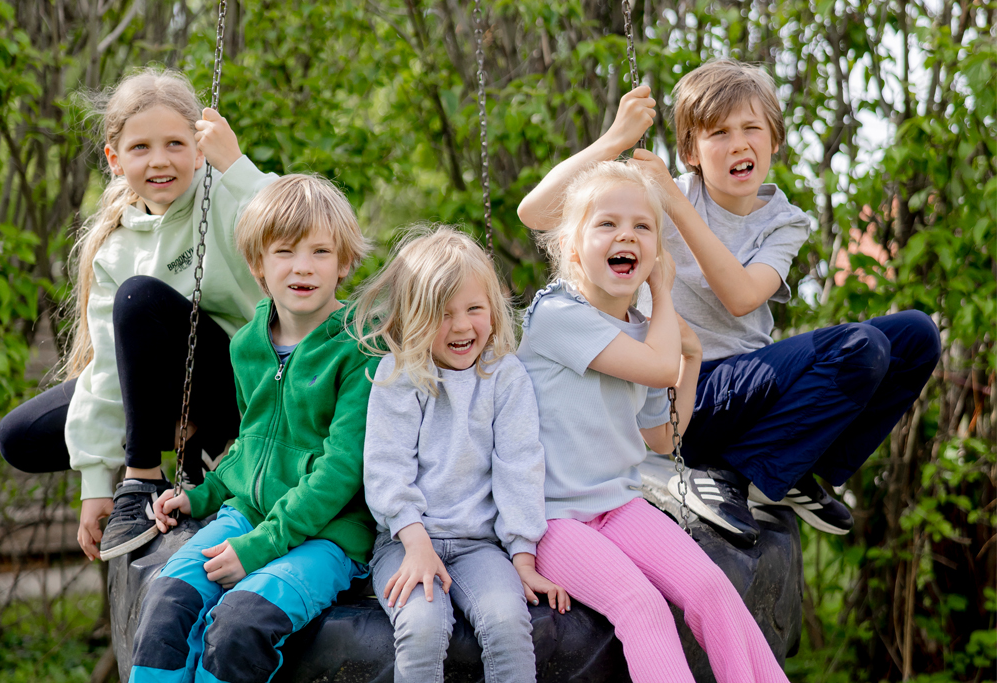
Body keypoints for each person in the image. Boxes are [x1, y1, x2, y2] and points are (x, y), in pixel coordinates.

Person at [517, 59, 941, 547]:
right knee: (861, 346)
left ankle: (795, 471)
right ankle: (731, 477)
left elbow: (741, 296)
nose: (738, 143)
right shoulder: (662, 197)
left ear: (774, 139)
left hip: (750, 388)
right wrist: (614, 139)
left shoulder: (784, 221)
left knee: (915, 335)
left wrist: (672, 202)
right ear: (691, 152)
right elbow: (537, 213)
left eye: (751, 128)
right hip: (685, 394)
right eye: (718, 133)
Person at [517, 161, 789, 682]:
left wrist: (689, 363)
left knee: (711, 588)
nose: (627, 234)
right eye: (607, 224)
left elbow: (662, 437)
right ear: (573, 250)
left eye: (642, 226)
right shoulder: (556, 314)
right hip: (554, 519)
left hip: (618, 506)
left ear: (654, 252)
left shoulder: (642, 332)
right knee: (641, 606)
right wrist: (664, 297)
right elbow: (657, 363)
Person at [0, 67, 278, 561]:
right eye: (141, 148)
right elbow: (108, 368)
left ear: (198, 146)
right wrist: (94, 483)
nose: (160, 161)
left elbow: (300, 228)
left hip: (244, 381)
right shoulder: (116, 246)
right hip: (166, 391)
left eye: (175, 143)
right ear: (115, 159)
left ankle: (145, 478)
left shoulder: (230, 196)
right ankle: (187, 444)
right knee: (19, 437)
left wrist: (235, 165)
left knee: (139, 297)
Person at [128, 174, 377, 683]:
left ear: (345, 262)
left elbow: (342, 469)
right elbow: (252, 444)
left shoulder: (360, 352)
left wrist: (260, 547)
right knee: (167, 601)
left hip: (326, 537)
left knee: (239, 623)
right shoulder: (248, 345)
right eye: (284, 251)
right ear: (259, 266)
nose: (302, 267)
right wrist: (203, 495)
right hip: (246, 515)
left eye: (321, 252)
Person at [352, 227, 568, 683]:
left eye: (474, 309)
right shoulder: (400, 374)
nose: (462, 326)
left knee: (508, 622)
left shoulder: (505, 378)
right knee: (423, 627)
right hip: (406, 540)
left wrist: (522, 557)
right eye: (442, 314)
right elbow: (387, 469)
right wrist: (415, 543)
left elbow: (519, 465)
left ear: (493, 309)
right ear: (414, 317)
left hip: (478, 546)